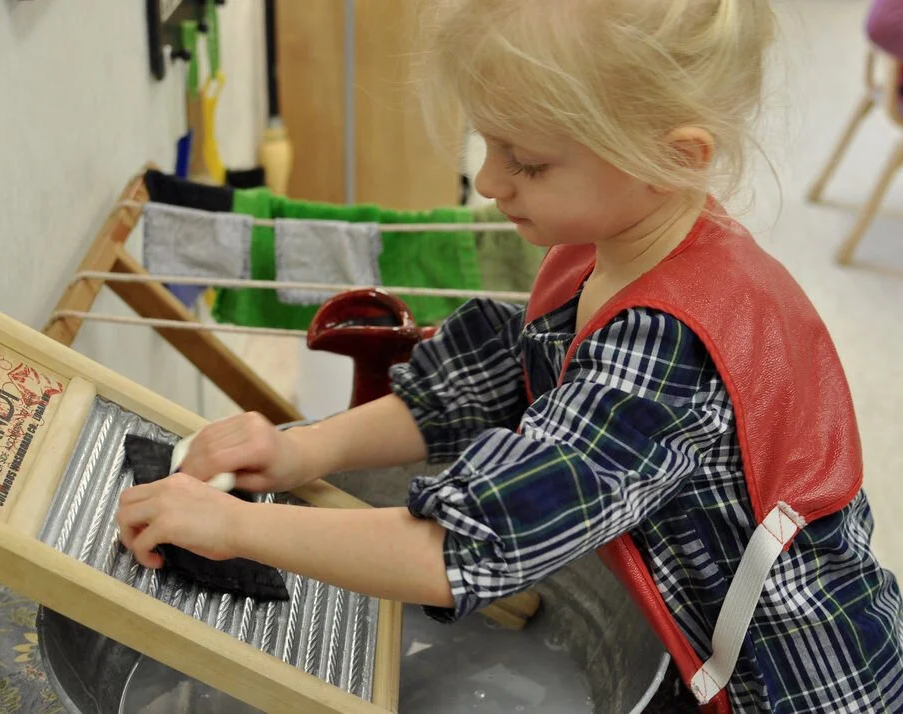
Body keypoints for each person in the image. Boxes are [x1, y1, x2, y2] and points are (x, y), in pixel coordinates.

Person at [116, 1, 903, 711]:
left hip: (792, 685)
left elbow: (462, 550)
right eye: (486, 145)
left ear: (676, 156)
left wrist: (237, 530)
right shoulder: (611, 242)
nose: (490, 182)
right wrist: (296, 449)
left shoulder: (671, 345)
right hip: (704, 632)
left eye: (526, 161)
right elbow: (482, 383)